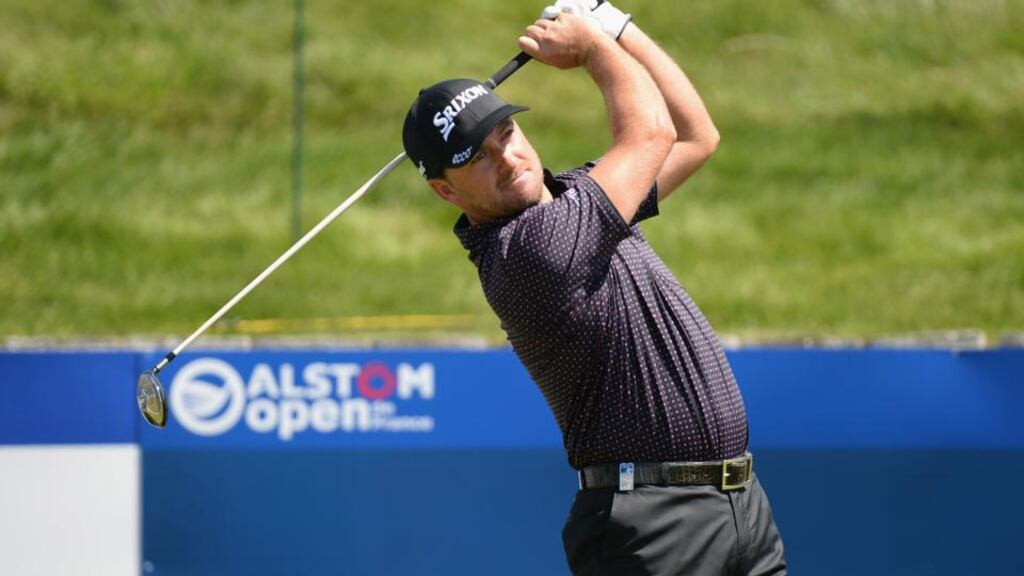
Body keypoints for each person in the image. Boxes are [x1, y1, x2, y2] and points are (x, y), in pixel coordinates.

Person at [402, 1, 786, 574]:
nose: (506, 158)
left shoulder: (578, 200)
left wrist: (618, 26)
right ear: (446, 191)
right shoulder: (528, 250)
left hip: (739, 507)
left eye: (506, 132)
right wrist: (594, 49)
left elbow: (694, 136)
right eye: (476, 158)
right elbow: (651, 131)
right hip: (653, 527)